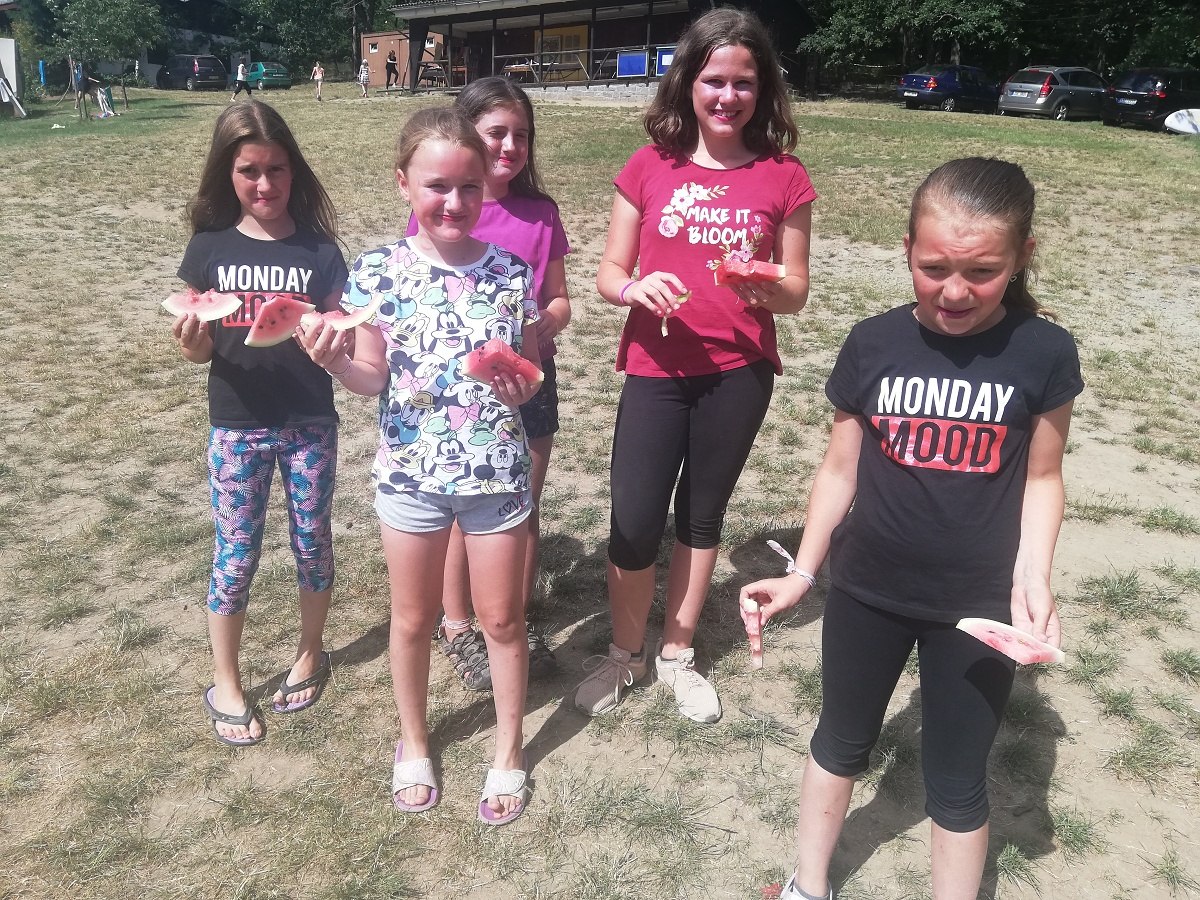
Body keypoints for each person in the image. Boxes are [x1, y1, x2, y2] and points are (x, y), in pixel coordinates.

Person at [739, 157, 1083, 900]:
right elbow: (840, 469)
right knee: (839, 742)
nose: (955, 291)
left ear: (1022, 256)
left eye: (983, 272)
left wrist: (1033, 578)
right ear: (906, 250)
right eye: (934, 268)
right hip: (868, 590)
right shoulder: (873, 343)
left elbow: (1043, 478)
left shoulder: (1046, 353)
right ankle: (807, 885)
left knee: (956, 780)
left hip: (979, 604)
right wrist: (802, 573)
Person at [572, 7, 815, 724]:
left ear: (762, 90)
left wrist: (766, 285)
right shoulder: (650, 165)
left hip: (739, 371)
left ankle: (677, 653)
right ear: (688, 82)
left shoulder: (784, 176)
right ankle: (624, 652)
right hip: (655, 364)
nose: (727, 96)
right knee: (633, 517)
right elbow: (609, 271)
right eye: (714, 80)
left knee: (701, 517)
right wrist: (633, 288)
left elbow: (796, 290)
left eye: (744, 82)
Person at [298, 106, 541, 823]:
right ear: (403, 183)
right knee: (411, 620)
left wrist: (522, 388)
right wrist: (336, 363)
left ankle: (508, 748)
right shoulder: (377, 271)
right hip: (410, 476)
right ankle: (414, 739)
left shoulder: (510, 273)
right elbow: (373, 374)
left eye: (468, 186)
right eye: (437, 186)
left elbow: (529, 373)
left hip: (495, 473)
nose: (454, 202)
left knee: (503, 621)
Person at [172, 100, 350, 746]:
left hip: (310, 423)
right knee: (235, 552)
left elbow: (342, 329)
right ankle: (225, 680)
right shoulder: (208, 248)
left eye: (276, 169)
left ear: (293, 171)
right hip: (235, 425)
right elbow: (199, 348)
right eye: (249, 171)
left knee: (312, 542)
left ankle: (310, 650)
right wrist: (192, 340)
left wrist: (331, 339)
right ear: (229, 175)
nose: (265, 184)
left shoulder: (319, 251)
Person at [405, 77, 572, 690]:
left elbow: (558, 297)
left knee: (521, 503)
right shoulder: (441, 205)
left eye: (521, 135)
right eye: (496, 132)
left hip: (528, 380)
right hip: (453, 393)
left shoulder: (541, 213)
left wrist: (544, 322)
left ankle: (512, 620)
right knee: (458, 510)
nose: (509, 146)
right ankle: (457, 627)